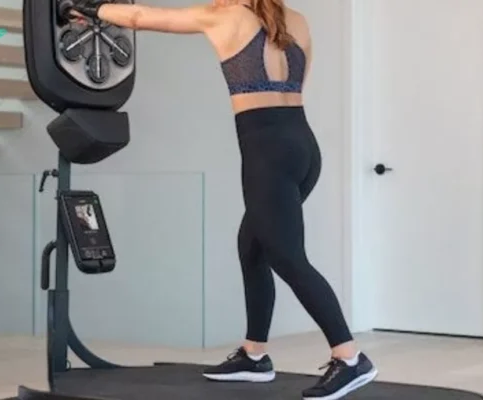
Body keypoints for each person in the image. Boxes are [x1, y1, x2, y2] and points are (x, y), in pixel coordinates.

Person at [69, 1, 377, 399]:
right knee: (252, 247)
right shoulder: (296, 20)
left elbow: (142, 18)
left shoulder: (224, 16)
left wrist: (91, 9)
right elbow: (297, 86)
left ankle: (350, 357)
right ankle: (254, 355)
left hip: (266, 151)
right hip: (302, 146)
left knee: (286, 256)